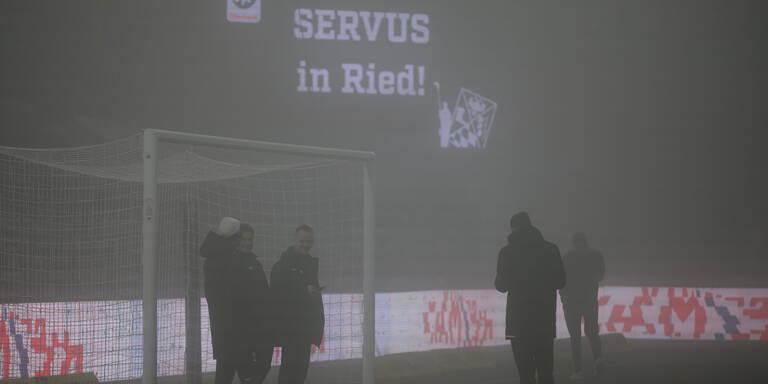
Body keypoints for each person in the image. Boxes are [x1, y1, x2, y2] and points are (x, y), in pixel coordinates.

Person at [495, 212, 566, 384]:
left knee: (525, 375)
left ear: (513, 228)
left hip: (517, 322)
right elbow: (561, 281)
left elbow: (501, 286)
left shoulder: (507, 252)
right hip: (544, 320)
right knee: (546, 373)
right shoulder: (551, 249)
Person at [201, 217, 273, 384]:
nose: (247, 243)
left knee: (246, 375)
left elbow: (263, 297)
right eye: (243, 239)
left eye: (250, 240)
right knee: (230, 375)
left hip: (248, 335)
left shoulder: (254, 263)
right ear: (234, 240)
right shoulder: (223, 263)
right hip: (234, 336)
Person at [270, 225, 325, 384]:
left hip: (305, 327)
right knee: (289, 371)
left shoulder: (310, 264)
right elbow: (276, 295)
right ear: (294, 239)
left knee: (300, 372)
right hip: (290, 328)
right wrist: (304, 290)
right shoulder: (281, 266)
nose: (305, 245)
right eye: (302, 241)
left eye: (309, 241)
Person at [560, 233, 605, 380]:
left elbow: (561, 279)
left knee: (575, 337)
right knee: (592, 332)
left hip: (571, 301)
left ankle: (578, 370)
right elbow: (600, 275)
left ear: (574, 242)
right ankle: (598, 359)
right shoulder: (596, 255)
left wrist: (563, 298)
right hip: (589, 299)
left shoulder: (567, 257)